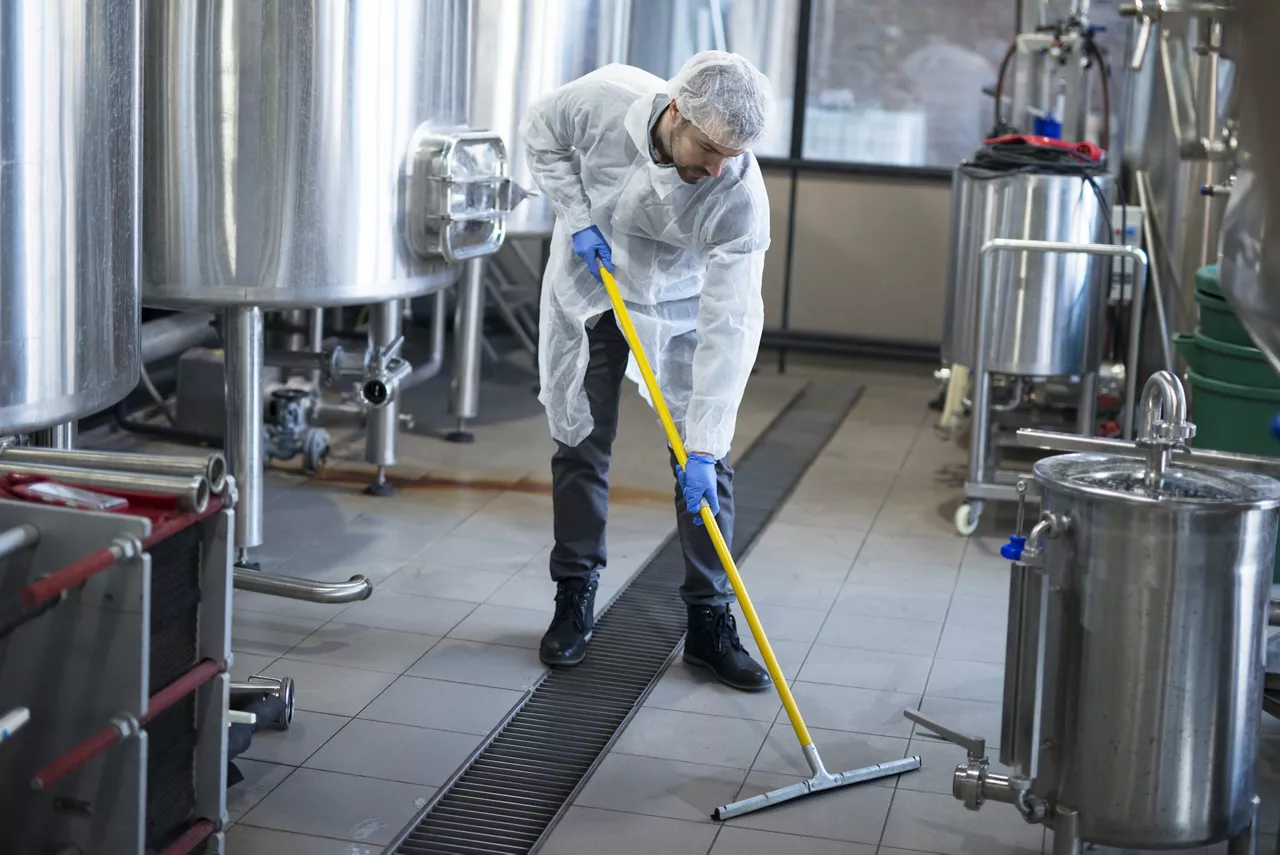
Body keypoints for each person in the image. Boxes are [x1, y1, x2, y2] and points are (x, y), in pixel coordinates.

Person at [520, 51, 774, 692]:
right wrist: (577, 219)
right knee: (579, 441)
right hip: (594, 286)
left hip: (684, 309)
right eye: (710, 147)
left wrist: (705, 442)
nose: (718, 166)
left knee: (707, 467)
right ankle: (573, 598)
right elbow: (541, 134)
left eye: (732, 154)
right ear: (677, 111)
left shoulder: (737, 190)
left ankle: (710, 624)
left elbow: (731, 325)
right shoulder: (601, 100)